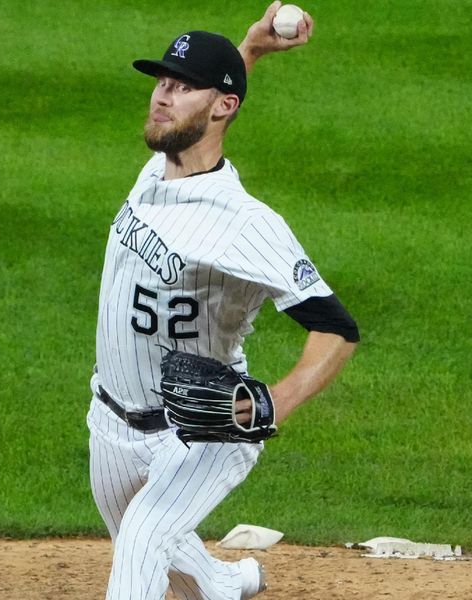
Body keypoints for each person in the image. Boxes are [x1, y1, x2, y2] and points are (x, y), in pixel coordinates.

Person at [86, 3, 359, 598]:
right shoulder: (157, 173)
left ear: (220, 106)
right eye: (162, 82)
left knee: (139, 551)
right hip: (109, 422)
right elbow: (211, 105)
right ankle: (223, 584)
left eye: (182, 88)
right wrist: (251, 50)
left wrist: (271, 406)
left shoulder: (244, 224)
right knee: (168, 561)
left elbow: (337, 329)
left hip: (201, 427)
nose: (162, 96)